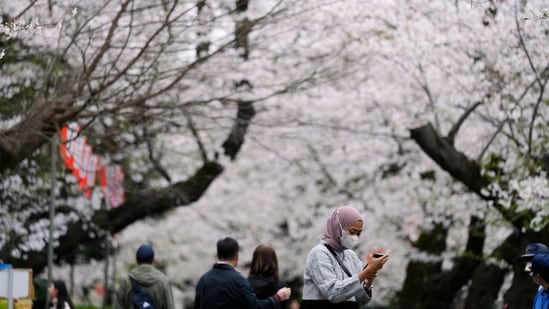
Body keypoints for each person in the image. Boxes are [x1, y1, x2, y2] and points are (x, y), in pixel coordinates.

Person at [301, 206, 389, 309]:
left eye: (358, 233)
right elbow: (332, 293)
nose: (355, 237)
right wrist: (367, 271)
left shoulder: (351, 256)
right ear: (338, 227)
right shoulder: (319, 253)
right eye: (352, 232)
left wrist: (367, 282)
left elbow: (359, 300)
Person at [194, 237, 291, 308]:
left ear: (217, 255)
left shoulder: (204, 280)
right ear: (237, 256)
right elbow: (254, 306)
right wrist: (277, 298)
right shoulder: (238, 280)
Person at [114, 244, 175, 309]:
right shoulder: (163, 282)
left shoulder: (126, 282)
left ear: (136, 260)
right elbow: (170, 306)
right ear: (153, 260)